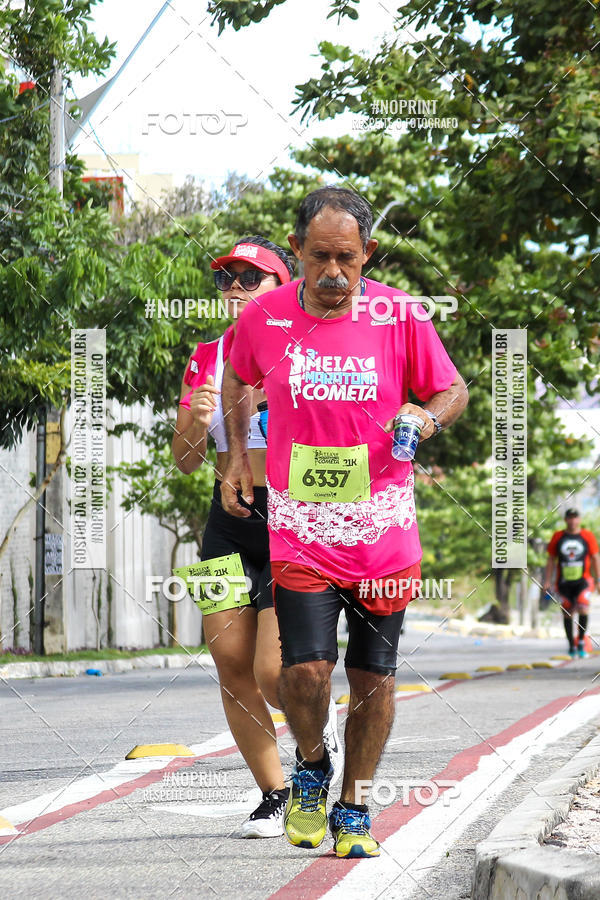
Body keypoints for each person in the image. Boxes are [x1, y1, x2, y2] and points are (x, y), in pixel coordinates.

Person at [220, 187, 468, 858]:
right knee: (303, 674)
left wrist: (427, 416)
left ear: (368, 255)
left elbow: (453, 389)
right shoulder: (265, 317)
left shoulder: (400, 315)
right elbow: (237, 378)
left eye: (348, 260)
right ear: (296, 250)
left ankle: (353, 807)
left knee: (373, 681)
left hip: (383, 533)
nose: (334, 274)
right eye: (320, 257)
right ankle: (310, 764)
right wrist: (239, 458)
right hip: (301, 529)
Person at [172, 235, 344, 838]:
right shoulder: (207, 356)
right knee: (228, 661)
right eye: (226, 279)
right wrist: (195, 420)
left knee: (275, 671)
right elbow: (186, 460)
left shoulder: (313, 348)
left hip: (291, 521)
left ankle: (315, 760)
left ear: (282, 285)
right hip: (227, 522)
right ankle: (275, 793)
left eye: (252, 277)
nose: (236, 288)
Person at [543, 508, 600, 659]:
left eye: (575, 517)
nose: (573, 521)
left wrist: (598, 580)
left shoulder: (587, 536)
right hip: (563, 582)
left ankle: (581, 641)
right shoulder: (558, 537)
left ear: (579, 519)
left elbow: (595, 558)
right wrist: (547, 581)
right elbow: (550, 560)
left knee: (583, 606)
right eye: (570, 518)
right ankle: (571, 645)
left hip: (583, 580)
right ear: (566, 520)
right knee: (567, 612)